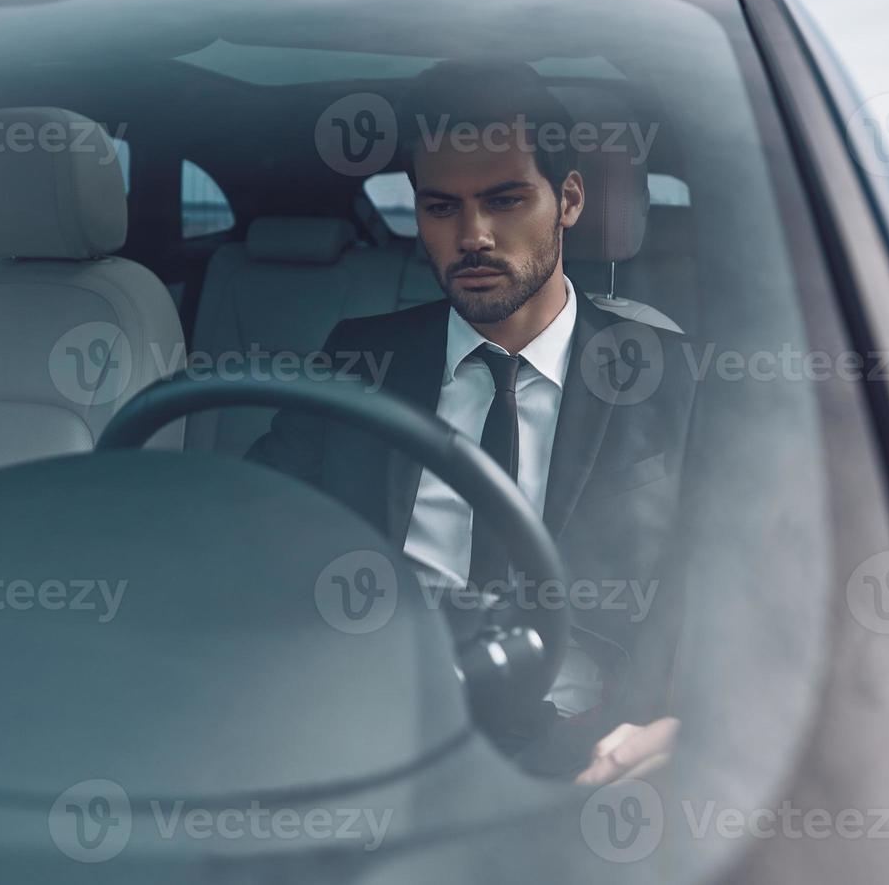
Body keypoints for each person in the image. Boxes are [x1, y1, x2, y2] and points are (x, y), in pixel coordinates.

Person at [248, 61, 695, 782]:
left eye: (506, 199)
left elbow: (746, 578)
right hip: (374, 732)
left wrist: (686, 721)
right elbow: (252, 530)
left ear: (569, 200)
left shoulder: (674, 378)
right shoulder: (359, 360)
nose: (474, 235)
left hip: (591, 750)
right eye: (441, 207)